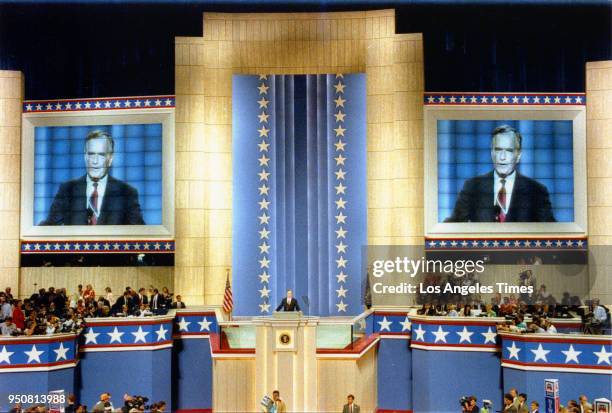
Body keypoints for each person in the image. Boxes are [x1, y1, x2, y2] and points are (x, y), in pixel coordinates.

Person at [445, 125, 555, 223]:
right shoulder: (472, 187)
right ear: (492, 153)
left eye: (509, 151)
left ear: (518, 155)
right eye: (498, 150)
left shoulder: (536, 191)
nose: (502, 157)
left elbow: (551, 233)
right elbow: (453, 225)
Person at [40, 130, 145, 225]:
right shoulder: (67, 190)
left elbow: (140, 234)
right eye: (91, 154)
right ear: (85, 157)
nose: (95, 161)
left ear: (110, 159)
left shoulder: (127, 193)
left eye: (101, 155)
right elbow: (48, 227)